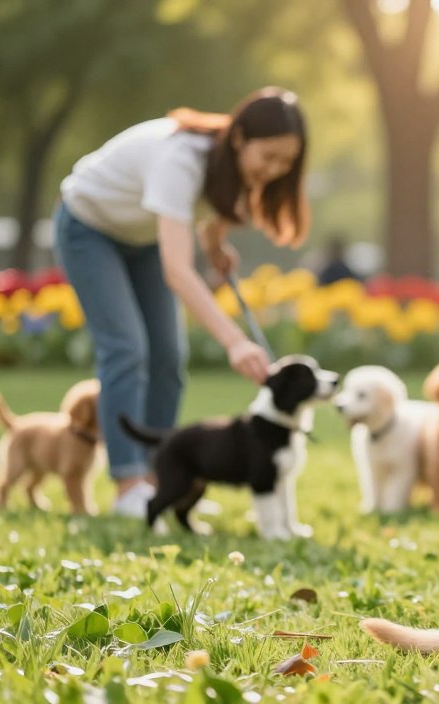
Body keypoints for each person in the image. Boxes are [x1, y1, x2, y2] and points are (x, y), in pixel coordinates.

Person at [54, 87, 310, 518]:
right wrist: (235, 341)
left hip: (142, 239)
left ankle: (162, 479)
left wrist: (213, 243)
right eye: (269, 157)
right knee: (127, 348)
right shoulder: (180, 157)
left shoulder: (229, 164)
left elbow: (206, 206)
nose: (275, 170)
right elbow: (178, 271)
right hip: (88, 229)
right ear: (239, 138)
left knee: (169, 356)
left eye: (286, 162)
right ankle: (129, 484)